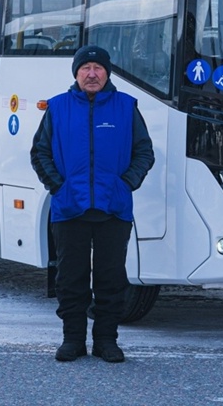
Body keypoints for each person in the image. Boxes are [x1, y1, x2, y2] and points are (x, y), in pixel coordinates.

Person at [30, 44, 155, 363]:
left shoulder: (126, 107)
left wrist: (124, 184)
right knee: (70, 279)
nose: (91, 73)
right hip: (69, 209)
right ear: (76, 73)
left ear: (107, 73)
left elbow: (144, 153)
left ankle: (105, 340)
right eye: (85, 68)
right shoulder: (57, 108)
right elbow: (39, 152)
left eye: (98, 68)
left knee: (111, 279)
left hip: (113, 210)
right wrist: (58, 187)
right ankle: (72, 340)